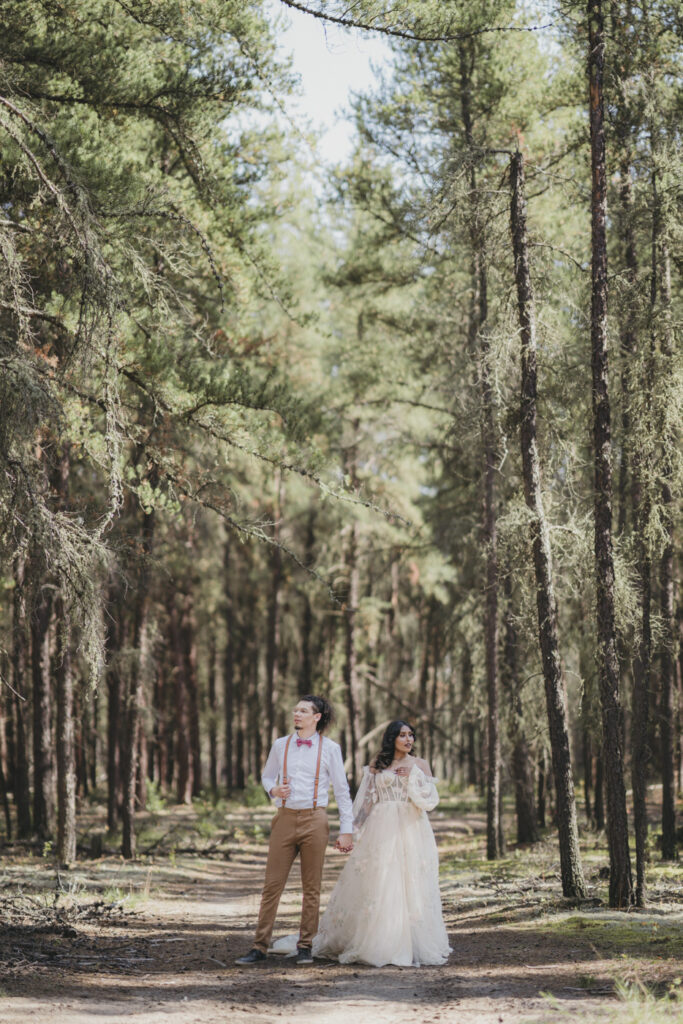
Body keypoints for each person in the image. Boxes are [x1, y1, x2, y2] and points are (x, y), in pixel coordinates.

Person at [273, 719, 451, 967]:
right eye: (402, 735)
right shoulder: (378, 765)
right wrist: (351, 830)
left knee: (409, 881)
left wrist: (412, 779)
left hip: (411, 827)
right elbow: (367, 802)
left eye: (411, 735)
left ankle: (407, 941)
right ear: (392, 739)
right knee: (380, 880)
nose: (408, 740)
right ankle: (378, 939)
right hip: (381, 826)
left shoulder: (419, 764)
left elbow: (430, 801)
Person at [235, 695, 354, 967]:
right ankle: (259, 946)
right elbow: (267, 776)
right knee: (271, 886)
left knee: (311, 887)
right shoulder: (281, 745)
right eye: (295, 710)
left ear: (317, 717)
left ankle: (305, 946)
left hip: (316, 819)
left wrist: (346, 830)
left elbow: (342, 791)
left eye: (303, 710)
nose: (296, 714)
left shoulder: (330, 748)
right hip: (284, 819)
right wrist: (273, 790)